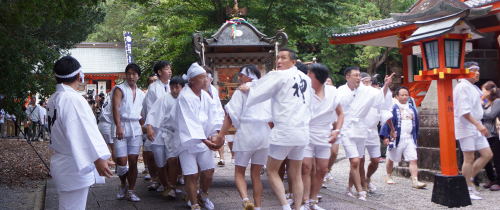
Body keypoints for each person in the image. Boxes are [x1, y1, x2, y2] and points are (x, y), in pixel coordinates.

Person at [238, 48, 313, 210]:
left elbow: (260, 89)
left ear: (293, 62)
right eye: (278, 57)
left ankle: (286, 206)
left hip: (285, 130)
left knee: (272, 170)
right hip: (302, 131)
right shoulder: (306, 79)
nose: (279, 61)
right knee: (296, 174)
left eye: (283, 58)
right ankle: (298, 208)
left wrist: (249, 88)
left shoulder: (280, 75)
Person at [47, 56, 113, 210]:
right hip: (73, 163)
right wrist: (97, 158)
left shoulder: (55, 98)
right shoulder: (72, 99)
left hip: (64, 160)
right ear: (79, 76)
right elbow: (81, 131)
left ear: (56, 76)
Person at [215, 64, 272, 210]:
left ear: (250, 76)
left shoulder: (241, 92)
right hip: (264, 133)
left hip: (247, 132)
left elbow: (230, 116)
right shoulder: (266, 91)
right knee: (256, 175)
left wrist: (221, 135)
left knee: (239, 172)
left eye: (241, 75)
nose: (239, 77)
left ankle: (245, 199)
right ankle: (258, 207)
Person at [337, 67, 394, 201]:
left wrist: (386, 85)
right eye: (355, 75)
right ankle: (360, 191)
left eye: (359, 75)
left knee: (355, 162)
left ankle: (349, 188)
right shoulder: (340, 91)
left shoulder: (367, 91)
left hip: (361, 129)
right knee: (356, 161)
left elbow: (381, 99)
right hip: (346, 128)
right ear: (347, 77)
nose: (358, 78)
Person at [174, 62, 223, 210]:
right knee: (192, 174)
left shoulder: (206, 96)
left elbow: (214, 116)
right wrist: (205, 141)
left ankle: (203, 194)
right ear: (192, 80)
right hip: (187, 141)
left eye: (206, 77)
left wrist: (217, 134)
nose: (206, 80)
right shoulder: (184, 96)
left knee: (208, 172)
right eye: (202, 77)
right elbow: (189, 122)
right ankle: (194, 204)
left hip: (204, 140)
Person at [300, 63, 344, 210]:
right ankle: (305, 201)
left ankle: (313, 201)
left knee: (321, 169)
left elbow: (340, 114)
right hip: (306, 132)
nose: (306, 76)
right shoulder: (304, 90)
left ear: (316, 76)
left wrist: (336, 130)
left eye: (309, 73)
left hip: (324, 133)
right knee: (306, 167)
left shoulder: (332, 91)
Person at [453, 61, 493, 200]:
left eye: (478, 70)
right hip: (467, 125)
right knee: (469, 158)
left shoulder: (473, 87)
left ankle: (468, 180)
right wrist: (478, 125)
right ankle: (467, 188)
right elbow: (464, 111)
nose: (477, 72)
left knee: (487, 154)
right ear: (465, 71)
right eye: (474, 70)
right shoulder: (462, 86)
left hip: (476, 124)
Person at [111, 63, 146, 202]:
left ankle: (131, 190)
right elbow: (116, 108)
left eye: (134, 74)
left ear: (138, 76)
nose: (131, 76)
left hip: (135, 127)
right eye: (129, 73)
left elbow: (141, 113)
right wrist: (118, 125)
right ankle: (123, 184)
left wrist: (146, 127)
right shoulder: (119, 89)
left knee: (133, 161)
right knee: (121, 162)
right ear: (125, 75)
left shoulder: (141, 93)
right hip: (121, 125)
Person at [146, 76, 184, 198]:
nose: (174, 90)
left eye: (176, 87)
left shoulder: (185, 99)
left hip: (173, 134)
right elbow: (152, 112)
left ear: (182, 88)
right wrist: (150, 128)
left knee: (173, 160)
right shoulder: (164, 98)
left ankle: (172, 186)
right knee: (160, 163)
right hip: (159, 133)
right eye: (172, 87)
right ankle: (166, 186)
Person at [380, 86, 426, 189]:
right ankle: (388, 176)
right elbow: (387, 122)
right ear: (397, 96)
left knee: (413, 159)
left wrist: (416, 137)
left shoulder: (412, 109)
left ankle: (415, 180)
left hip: (409, 137)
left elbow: (416, 124)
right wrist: (385, 137)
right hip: (396, 137)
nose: (405, 97)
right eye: (402, 95)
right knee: (391, 159)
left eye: (406, 95)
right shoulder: (393, 109)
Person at [358, 73, 393, 193]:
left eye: (369, 82)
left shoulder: (375, 95)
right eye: (365, 82)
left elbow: (384, 110)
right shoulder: (356, 95)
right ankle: (362, 185)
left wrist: (392, 130)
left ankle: (368, 178)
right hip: (358, 130)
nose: (368, 85)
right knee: (360, 160)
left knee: (375, 160)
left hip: (372, 131)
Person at [144, 61, 171, 184]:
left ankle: (170, 181)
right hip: (157, 125)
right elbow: (150, 108)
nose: (169, 71)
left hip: (171, 126)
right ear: (159, 72)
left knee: (171, 155)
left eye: (170, 68)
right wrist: (149, 127)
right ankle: (155, 179)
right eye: (166, 69)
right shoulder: (153, 87)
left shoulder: (174, 85)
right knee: (154, 155)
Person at [201, 66, 226, 167]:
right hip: (201, 125)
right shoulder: (195, 92)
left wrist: (221, 129)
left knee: (215, 143)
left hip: (213, 124)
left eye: (207, 76)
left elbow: (218, 109)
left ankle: (219, 158)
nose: (206, 79)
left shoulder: (213, 90)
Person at [480, 81, 500, 191]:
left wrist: (479, 110)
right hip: (485, 135)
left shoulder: (497, 102)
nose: (481, 92)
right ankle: (492, 179)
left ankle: (499, 182)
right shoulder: (485, 103)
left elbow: (492, 115)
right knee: (485, 158)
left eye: (483, 90)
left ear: (488, 92)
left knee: (497, 159)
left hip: (494, 135)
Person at [141, 74, 158, 179]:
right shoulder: (145, 94)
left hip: (162, 127)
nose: (153, 83)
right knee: (148, 150)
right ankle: (148, 170)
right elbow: (143, 111)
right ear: (148, 83)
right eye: (151, 81)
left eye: (155, 81)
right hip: (150, 125)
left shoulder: (165, 91)